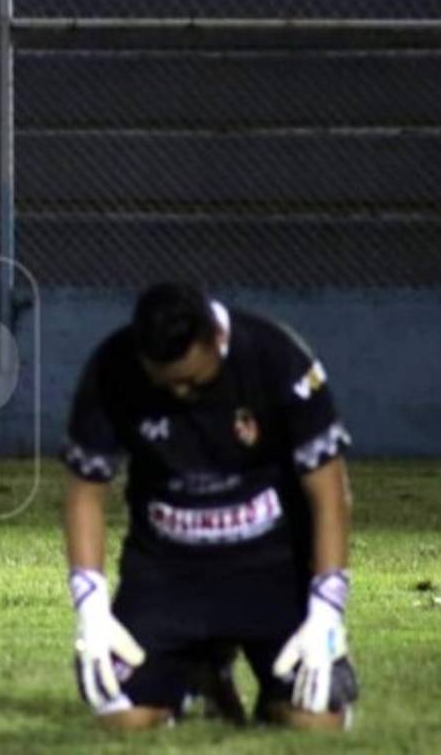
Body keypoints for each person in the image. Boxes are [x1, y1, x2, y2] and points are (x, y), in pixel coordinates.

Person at [62, 282, 358, 730]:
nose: (180, 394)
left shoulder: (277, 358)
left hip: (271, 567)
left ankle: (268, 694)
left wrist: (327, 613)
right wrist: (91, 608)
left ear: (217, 340)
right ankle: (194, 677)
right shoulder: (111, 369)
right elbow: (85, 492)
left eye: (192, 382)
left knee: (316, 722)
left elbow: (330, 491)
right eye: (167, 384)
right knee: (120, 718)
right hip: (167, 572)